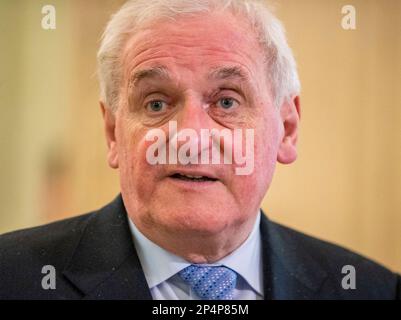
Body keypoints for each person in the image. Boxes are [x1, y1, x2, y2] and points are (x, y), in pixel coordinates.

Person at [0, 0, 399, 300]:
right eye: (156, 103)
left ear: (287, 129)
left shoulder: (373, 291)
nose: (189, 136)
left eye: (226, 102)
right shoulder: (11, 278)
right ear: (112, 133)